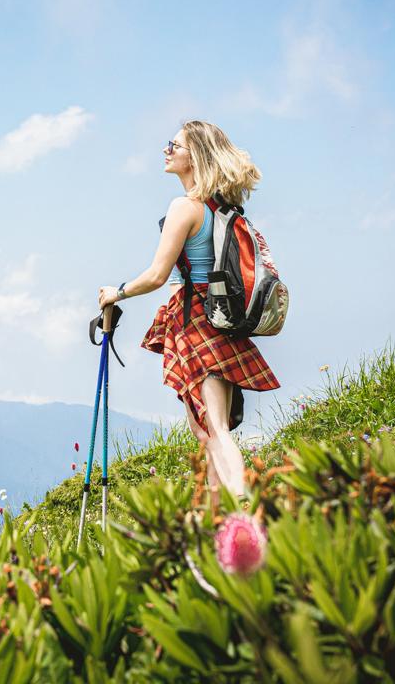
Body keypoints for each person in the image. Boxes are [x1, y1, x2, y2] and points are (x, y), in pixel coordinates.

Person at [97, 120, 280, 505]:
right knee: (207, 431)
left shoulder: (185, 207)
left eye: (173, 145)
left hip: (196, 320)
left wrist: (117, 293)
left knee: (214, 427)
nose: (166, 150)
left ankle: (241, 502)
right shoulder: (224, 209)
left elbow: (157, 275)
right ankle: (218, 515)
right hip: (222, 318)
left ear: (194, 156)